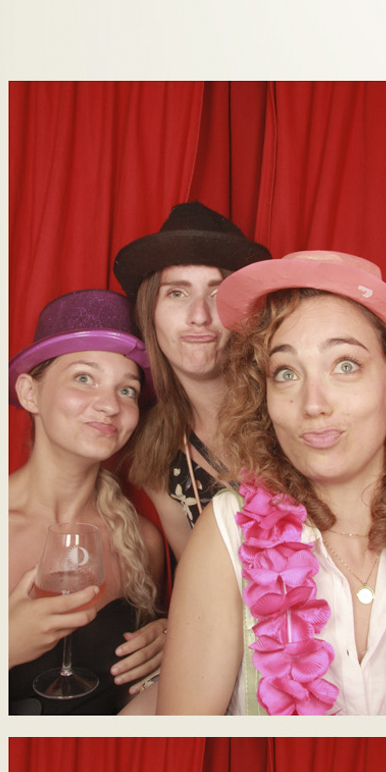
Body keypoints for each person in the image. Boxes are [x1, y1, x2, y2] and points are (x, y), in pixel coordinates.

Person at [154, 249, 386, 716]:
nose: (313, 403)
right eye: (286, 373)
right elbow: (181, 744)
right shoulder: (227, 533)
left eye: (345, 365)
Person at [8, 291, 167, 715]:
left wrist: (174, 644)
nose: (110, 405)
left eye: (127, 390)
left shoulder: (141, 541)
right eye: (83, 378)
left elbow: (132, 694)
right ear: (30, 393)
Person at [113, 201, 271, 563]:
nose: (199, 316)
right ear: (149, 313)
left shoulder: (291, 407)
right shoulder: (158, 453)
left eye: (219, 294)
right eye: (177, 293)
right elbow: (196, 584)